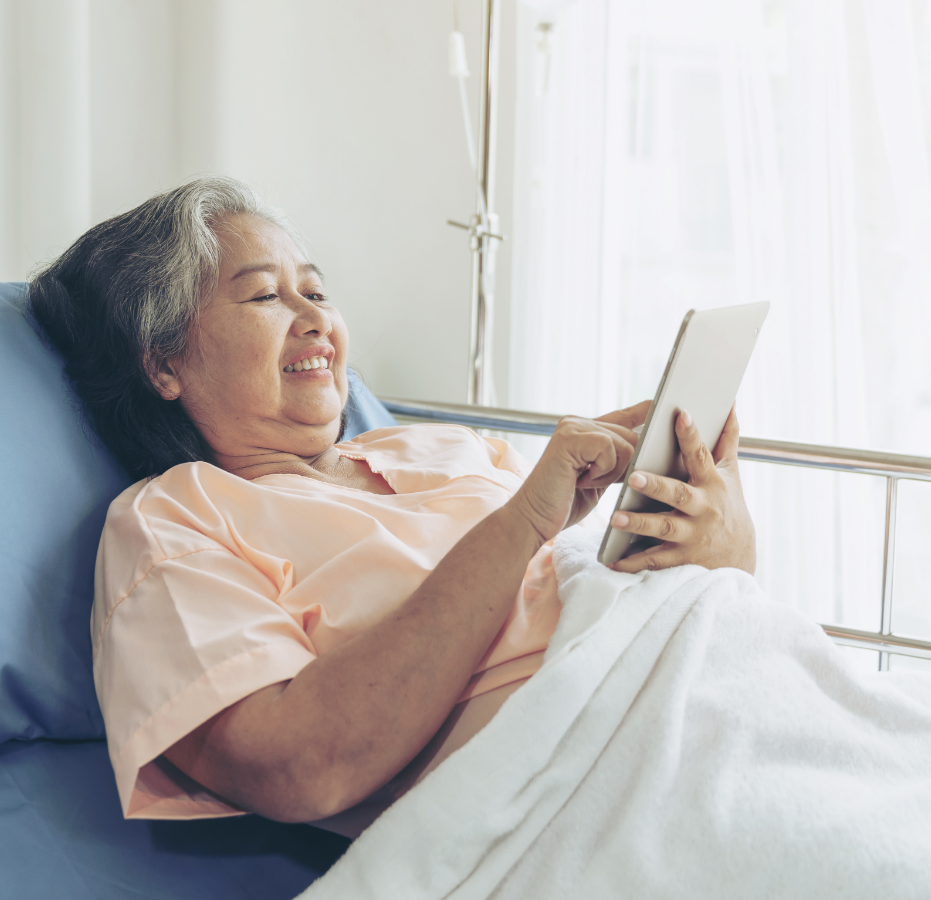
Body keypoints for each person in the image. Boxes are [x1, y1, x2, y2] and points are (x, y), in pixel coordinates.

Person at [29, 177, 755, 837]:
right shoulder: (173, 518)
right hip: (583, 793)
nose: (313, 319)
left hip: (718, 700)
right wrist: (524, 524)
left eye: (315, 291)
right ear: (163, 363)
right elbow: (295, 766)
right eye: (262, 296)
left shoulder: (443, 447)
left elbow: (702, 611)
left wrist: (715, 535)